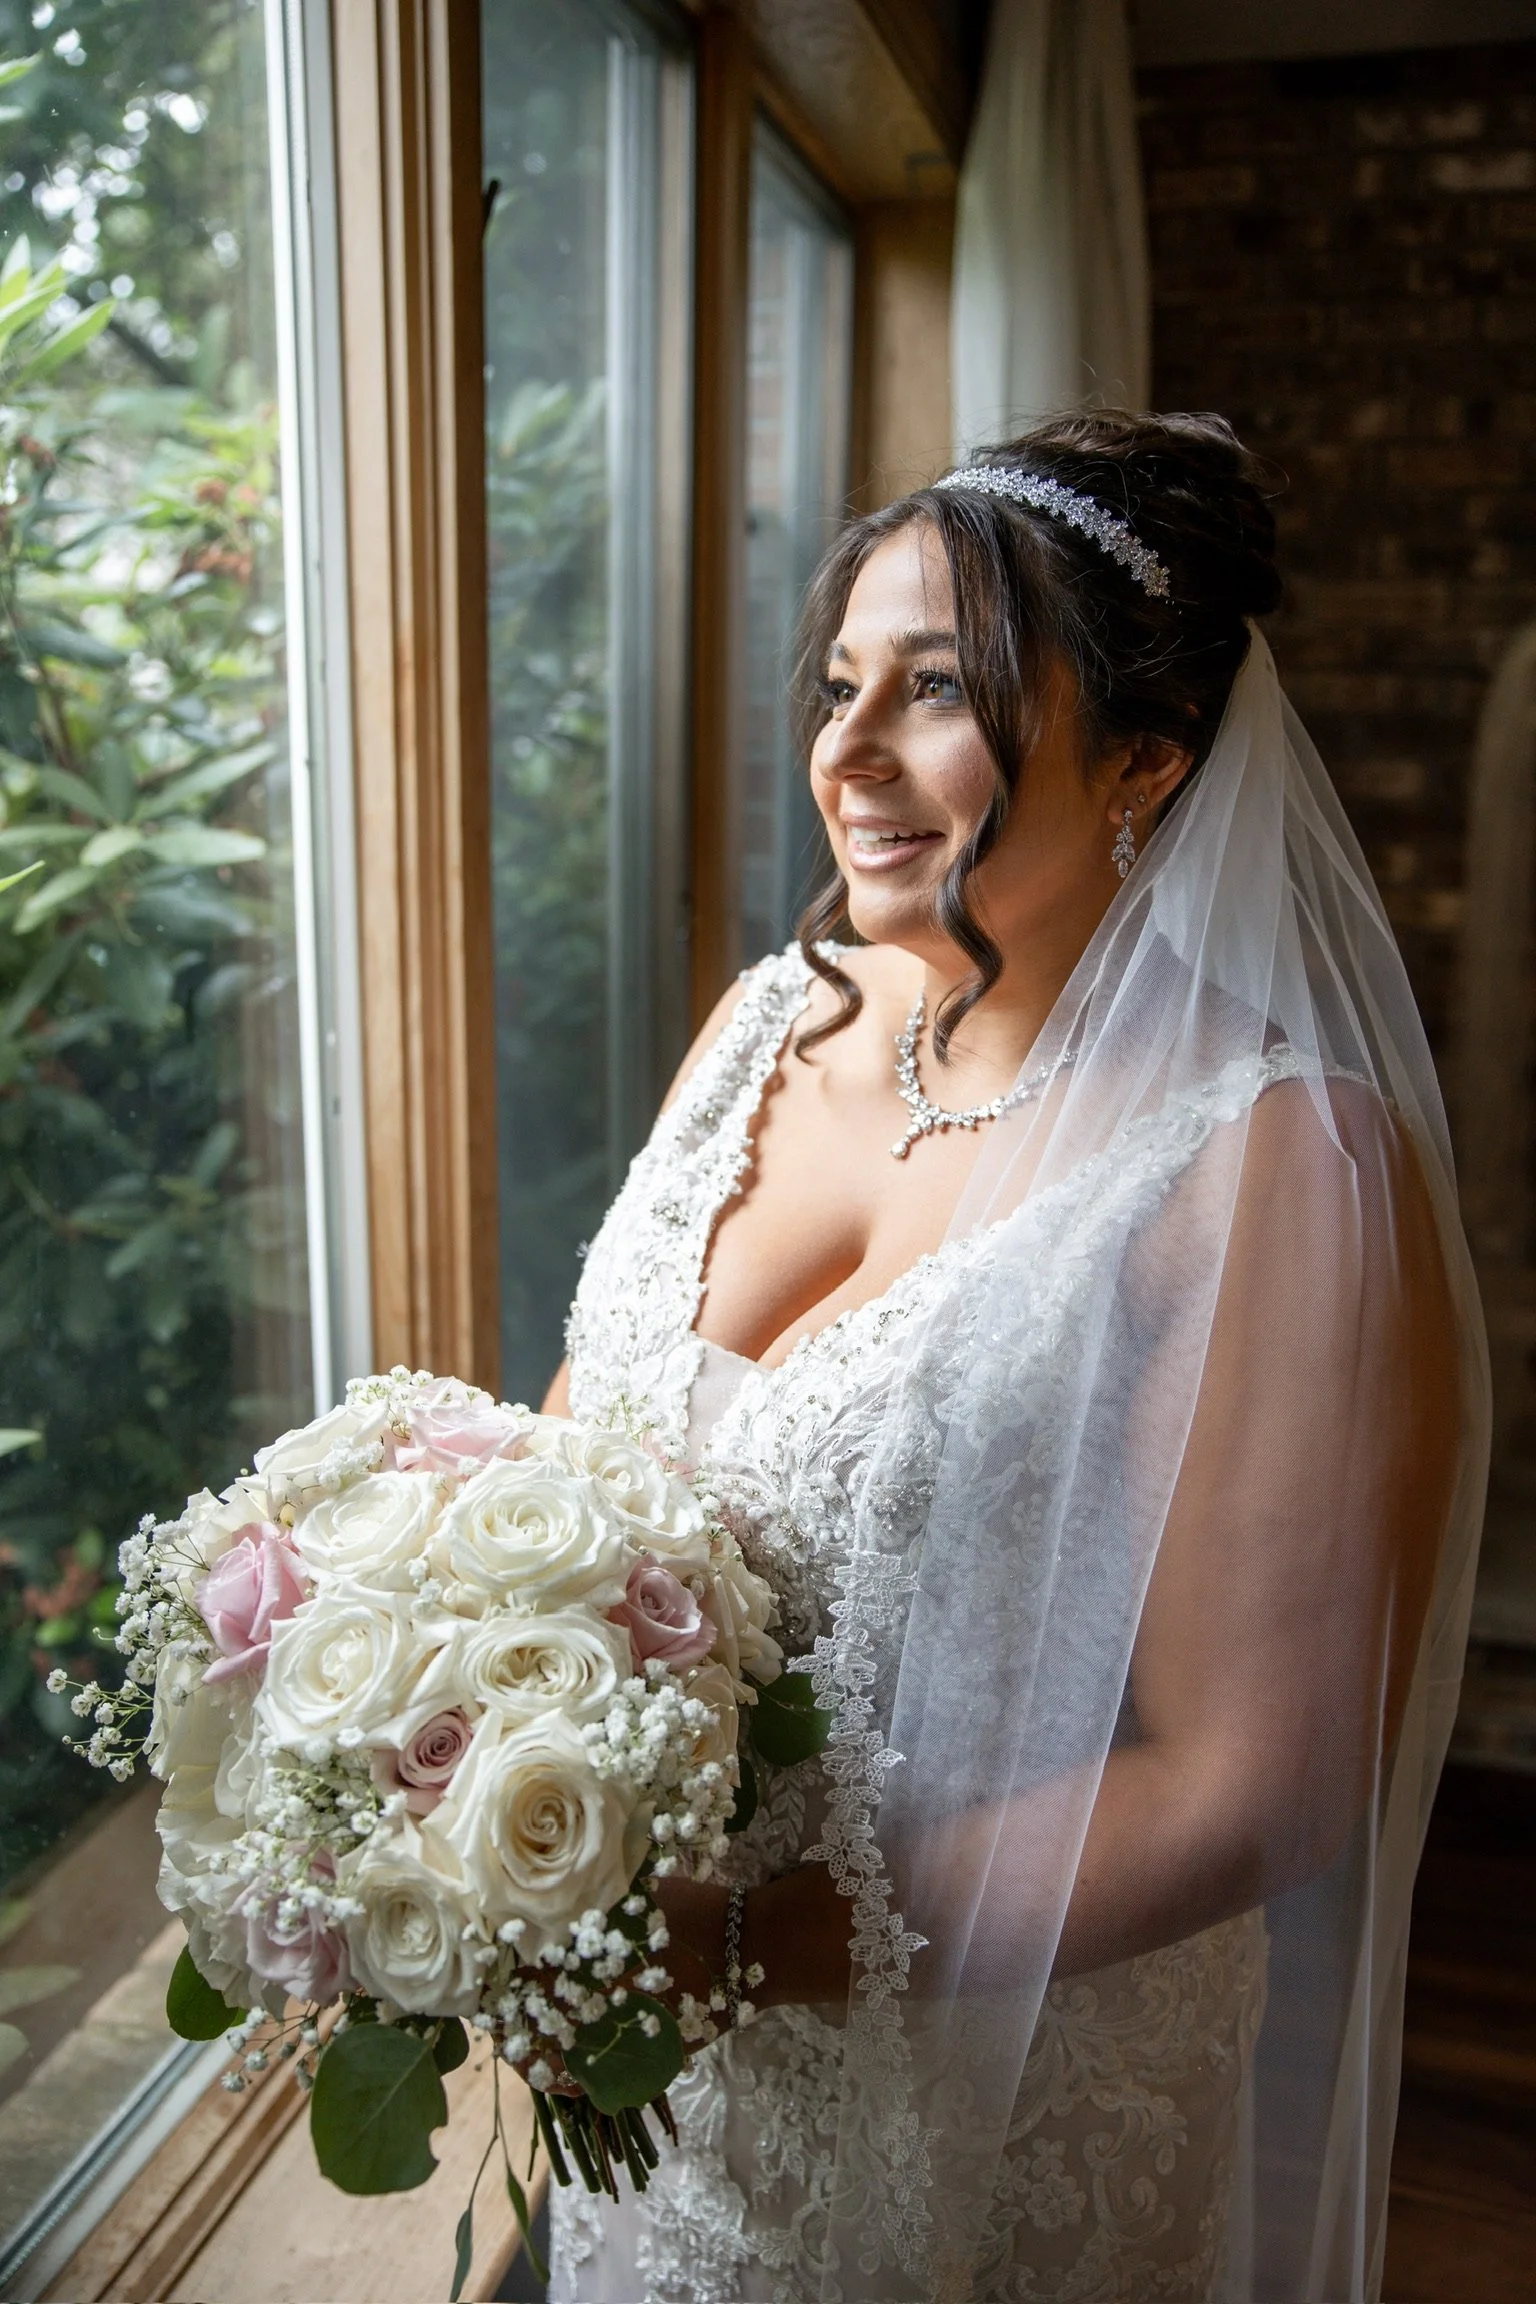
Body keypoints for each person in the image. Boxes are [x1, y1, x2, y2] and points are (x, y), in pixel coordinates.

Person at [541, 411, 1487, 2303]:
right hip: (650, 2077)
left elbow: (1260, 1775)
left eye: (941, 692)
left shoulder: (1267, 1161)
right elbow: (568, 1470)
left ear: (1148, 759)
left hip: (973, 2100)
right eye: (839, 686)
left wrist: (735, 1947)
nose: (849, 752)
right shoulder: (764, 1024)